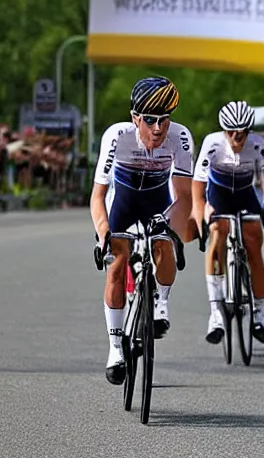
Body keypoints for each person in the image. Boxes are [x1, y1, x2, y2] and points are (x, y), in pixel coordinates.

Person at [90, 76, 196, 385]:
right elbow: (98, 196)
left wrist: (172, 234)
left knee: (163, 244)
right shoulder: (117, 136)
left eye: (165, 119)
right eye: (150, 120)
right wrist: (102, 233)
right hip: (121, 202)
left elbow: (184, 197)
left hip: (157, 201)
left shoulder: (181, 137)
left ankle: (161, 303)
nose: (159, 128)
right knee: (117, 265)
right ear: (135, 118)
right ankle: (115, 348)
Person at [192, 101, 264, 345]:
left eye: (240, 133)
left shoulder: (260, 145)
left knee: (254, 242)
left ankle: (260, 314)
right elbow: (198, 188)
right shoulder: (212, 144)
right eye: (230, 131)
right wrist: (201, 214)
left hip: (245, 193)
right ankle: (216, 313)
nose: (235, 137)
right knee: (218, 232)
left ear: (248, 131)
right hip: (218, 193)